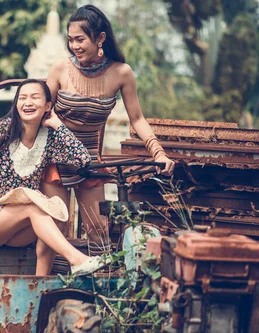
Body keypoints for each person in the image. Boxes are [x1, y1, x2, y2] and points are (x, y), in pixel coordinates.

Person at [41, 4, 175, 261]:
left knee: (98, 230)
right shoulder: (60, 69)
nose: (74, 46)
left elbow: (137, 119)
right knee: (56, 227)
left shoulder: (121, 73)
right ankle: (50, 289)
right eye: (70, 40)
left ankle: (99, 293)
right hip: (54, 160)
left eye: (80, 39)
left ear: (100, 38)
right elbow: (44, 111)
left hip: (90, 162)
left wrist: (158, 153)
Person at [0, 79, 105, 276]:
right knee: (34, 205)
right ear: (16, 105)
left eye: (35, 97)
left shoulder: (49, 137)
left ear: (47, 106)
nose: (27, 102)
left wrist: (58, 124)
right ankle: (76, 260)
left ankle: (39, 286)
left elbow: (82, 160)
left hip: (18, 229)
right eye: (22, 98)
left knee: (56, 210)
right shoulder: (4, 129)